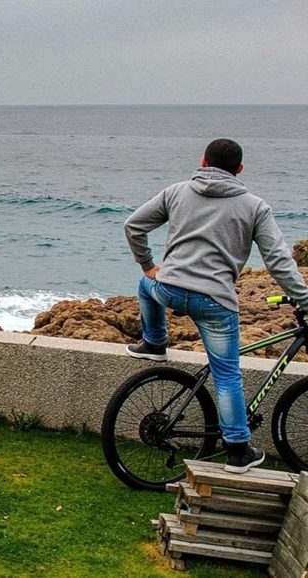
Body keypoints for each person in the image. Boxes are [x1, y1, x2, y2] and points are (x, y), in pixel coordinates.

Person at [123, 138, 308, 474]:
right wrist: (305, 299)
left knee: (145, 285)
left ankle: (154, 342)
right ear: (240, 169)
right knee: (226, 375)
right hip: (214, 301)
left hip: (169, 289)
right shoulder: (254, 207)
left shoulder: (176, 192)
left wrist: (148, 265)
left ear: (203, 162)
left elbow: (133, 225)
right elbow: (279, 261)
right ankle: (237, 449)